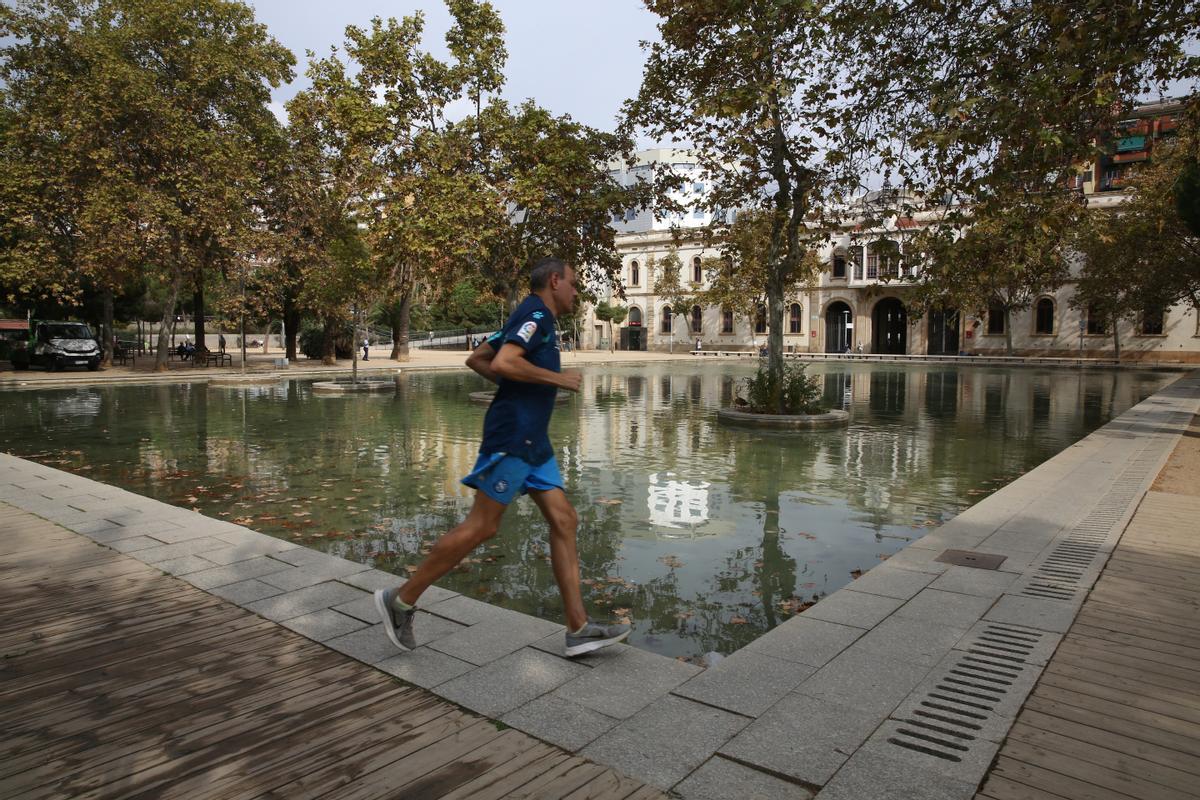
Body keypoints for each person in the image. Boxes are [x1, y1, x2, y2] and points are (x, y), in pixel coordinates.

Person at [375, 257, 630, 658]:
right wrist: (557, 379)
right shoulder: (536, 314)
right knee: (482, 527)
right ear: (555, 280)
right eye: (574, 284)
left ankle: (578, 628)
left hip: (534, 440)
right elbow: (504, 361)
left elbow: (477, 358)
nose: (577, 292)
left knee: (565, 519)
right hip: (513, 437)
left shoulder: (530, 317)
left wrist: (518, 388)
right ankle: (400, 600)